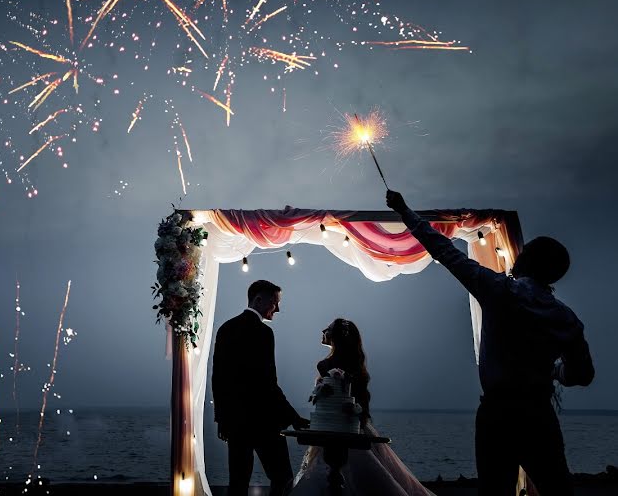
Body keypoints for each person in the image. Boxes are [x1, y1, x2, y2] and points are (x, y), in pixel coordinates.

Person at [386, 190, 594, 495]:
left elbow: (445, 251)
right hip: (538, 415)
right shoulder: (567, 319)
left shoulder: (498, 290)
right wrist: (554, 372)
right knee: (556, 488)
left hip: (497, 415)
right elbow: (583, 375)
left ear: (524, 262)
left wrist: (405, 211)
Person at [291, 318, 434, 496]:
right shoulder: (355, 364)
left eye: (327, 329)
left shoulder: (324, 365)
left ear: (335, 337)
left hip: (332, 428)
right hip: (354, 426)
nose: (323, 330)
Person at [212, 279, 309, 496]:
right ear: (258, 299)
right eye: (274, 302)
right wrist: (294, 418)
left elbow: (218, 379)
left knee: (238, 482)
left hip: (235, 422)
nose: (278, 308)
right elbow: (268, 383)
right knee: (283, 477)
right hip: (264, 421)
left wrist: (221, 418)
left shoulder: (225, 329)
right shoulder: (264, 333)